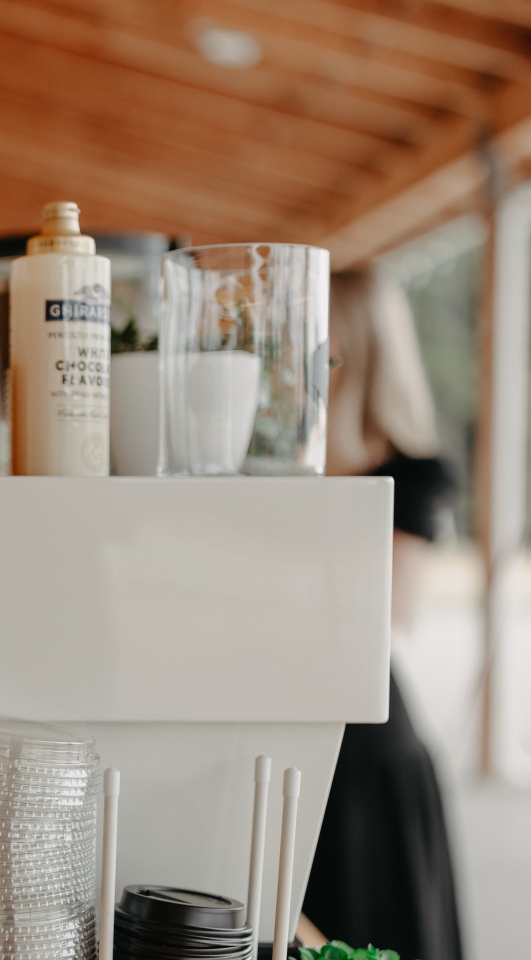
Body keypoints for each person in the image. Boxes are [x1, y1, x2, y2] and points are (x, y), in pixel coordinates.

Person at [302, 268, 463, 960]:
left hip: (366, 743)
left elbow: (393, 607)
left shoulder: (411, 472)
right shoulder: (288, 466)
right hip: (295, 718)